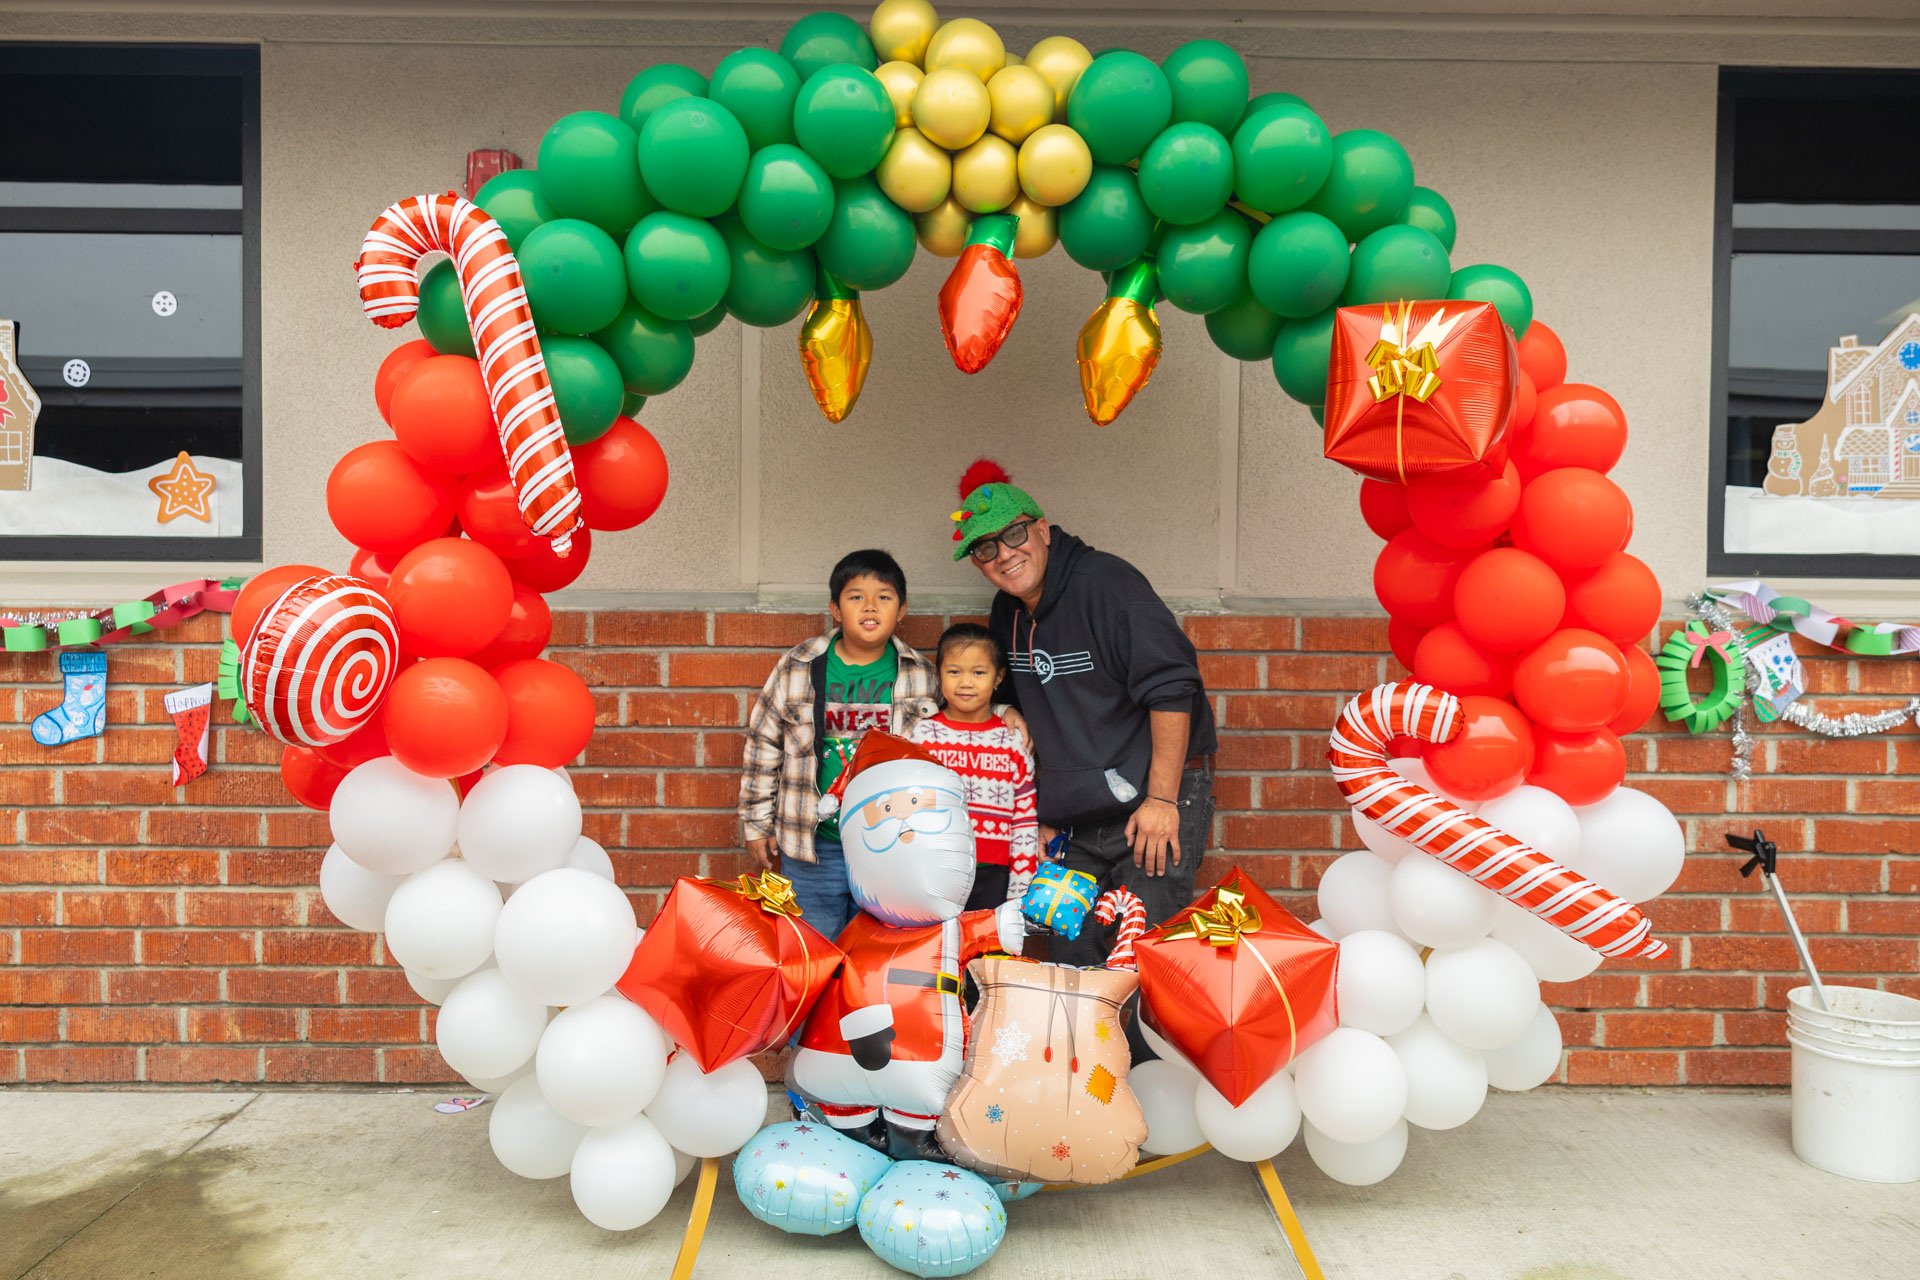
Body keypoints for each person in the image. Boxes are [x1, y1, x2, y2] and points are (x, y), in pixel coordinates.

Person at [947, 459, 1216, 969]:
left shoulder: (1107, 584)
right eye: (986, 549)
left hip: (1150, 801)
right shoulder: (1006, 612)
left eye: (1014, 535)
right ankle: (1087, 1054)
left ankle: (1141, 1055)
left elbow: (1173, 688)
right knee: (1073, 954)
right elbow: (1035, 711)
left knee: (1139, 957)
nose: (1005, 555)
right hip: (1074, 820)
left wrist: (1162, 800)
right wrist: (1042, 811)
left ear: (1042, 530)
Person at [738, 549, 939, 939]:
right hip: (815, 846)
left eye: (884, 596)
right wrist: (756, 823)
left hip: (891, 842)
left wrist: (1002, 710)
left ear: (901, 611)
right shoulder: (799, 665)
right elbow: (764, 744)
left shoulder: (921, 674)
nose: (870, 606)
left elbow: (960, 722)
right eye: (855, 596)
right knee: (813, 950)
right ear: (835, 608)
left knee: (878, 952)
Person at [909, 622, 1040, 910]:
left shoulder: (1012, 741)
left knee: (985, 953)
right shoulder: (922, 737)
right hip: (932, 867)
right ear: (938, 673)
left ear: (998, 677)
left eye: (978, 672)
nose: (965, 682)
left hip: (994, 874)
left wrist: (1020, 893)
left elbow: (1024, 820)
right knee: (933, 951)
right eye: (954, 671)